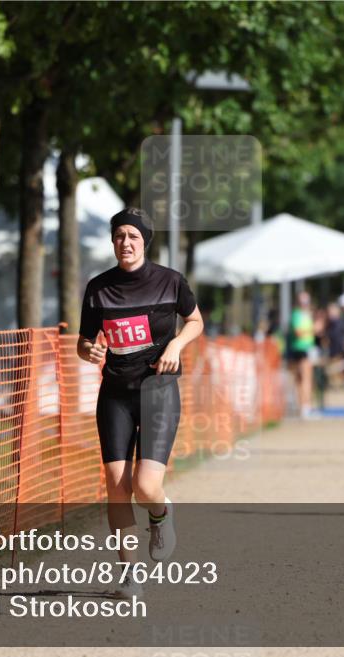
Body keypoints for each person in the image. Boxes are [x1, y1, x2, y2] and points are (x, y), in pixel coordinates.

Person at [77, 207, 204, 598]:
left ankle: (161, 513)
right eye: (119, 236)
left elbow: (196, 321)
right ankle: (129, 573)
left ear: (144, 240)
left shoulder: (170, 281)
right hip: (115, 393)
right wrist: (89, 352)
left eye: (133, 236)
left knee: (146, 485)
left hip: (158, 391)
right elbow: (84, 340)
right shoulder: (98, 287)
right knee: (117, 485)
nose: (125, 243)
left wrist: (176, 346)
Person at [289, 290, 319, 419]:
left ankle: (304, 405)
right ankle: (305, 406)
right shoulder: (297, 315)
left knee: (303, 378)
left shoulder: (307, 314)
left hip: (307, 348)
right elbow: (298, 332)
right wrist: (313, 329)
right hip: (301, 349)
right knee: (305, 378)